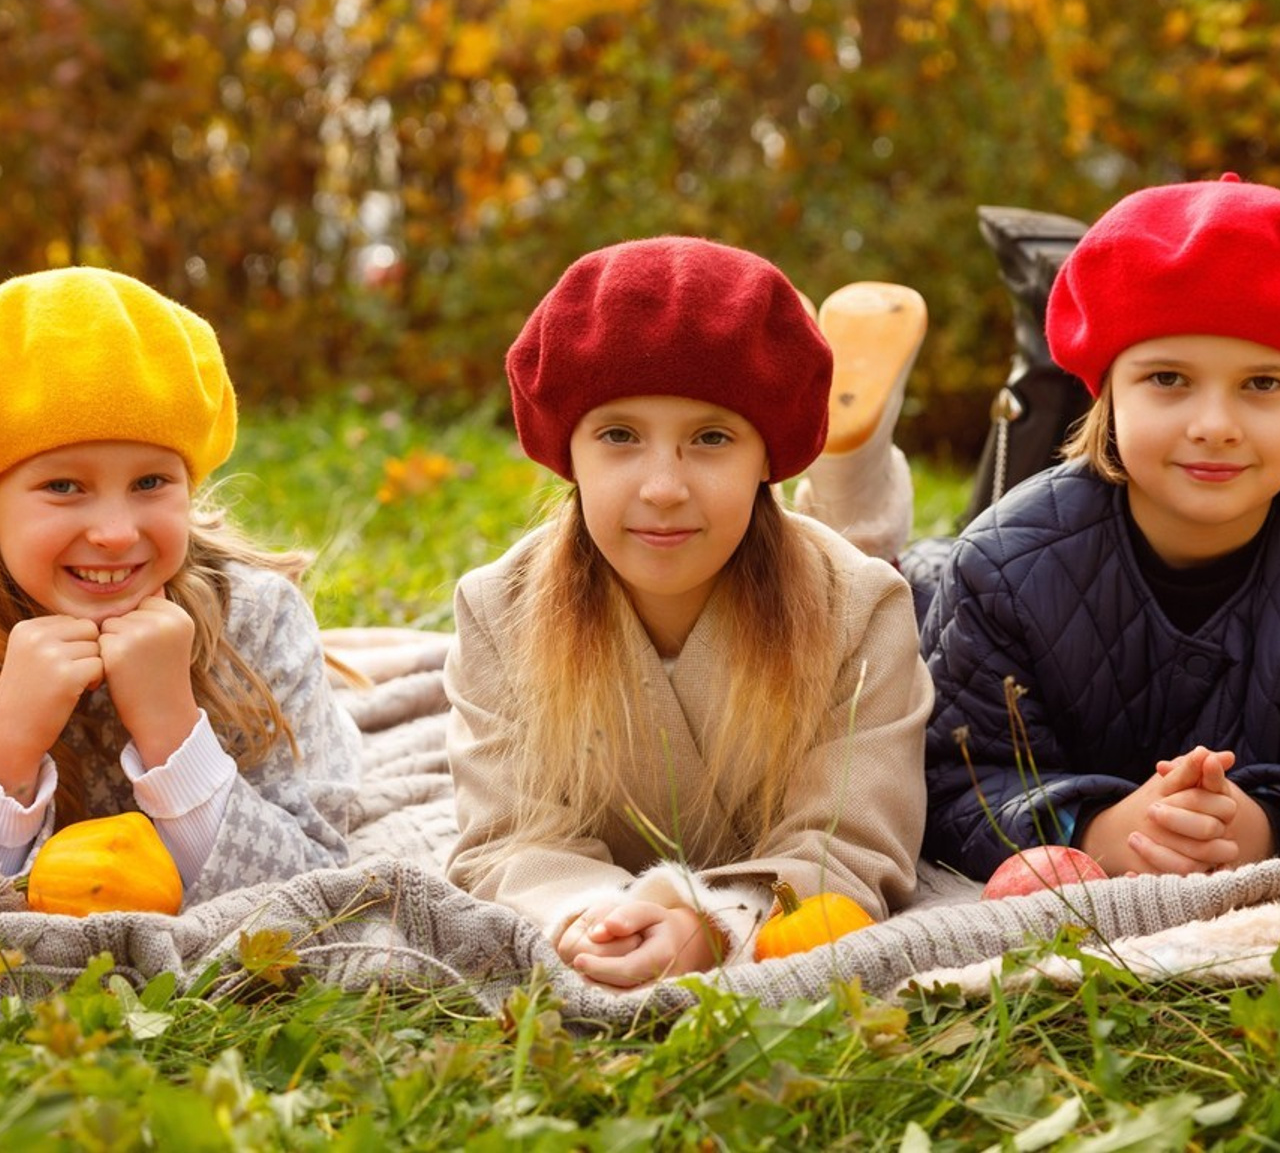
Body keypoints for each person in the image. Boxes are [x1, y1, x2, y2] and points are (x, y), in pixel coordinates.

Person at [444, 236, 932, 989]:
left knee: (886, 552)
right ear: (567, 452)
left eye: (711, 438)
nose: (663, 486)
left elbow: (853, 840)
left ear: (766, 454)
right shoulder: (497, 610)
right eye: (619, 436)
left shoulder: (861, 608)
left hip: (855, 576)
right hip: (602, 911)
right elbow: (508, 836)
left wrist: (712, 920)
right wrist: (594, 914)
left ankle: (857, 485)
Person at [922, 174, 1280, 883]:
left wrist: (1264, 826)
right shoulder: (999, 571)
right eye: (1169, 379)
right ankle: (855, 477)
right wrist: (1097, 831)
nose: (1215, 426)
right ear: (1107, 388)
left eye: (1265, 383)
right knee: (887, 576)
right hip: (932, 592)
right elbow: (950, 777)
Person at [0, 267, 362, 907]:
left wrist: (172, 728)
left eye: (150, 483)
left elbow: (320, 888)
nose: (115, 532)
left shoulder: (256, 619)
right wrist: (10, 749)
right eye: (63, 486)